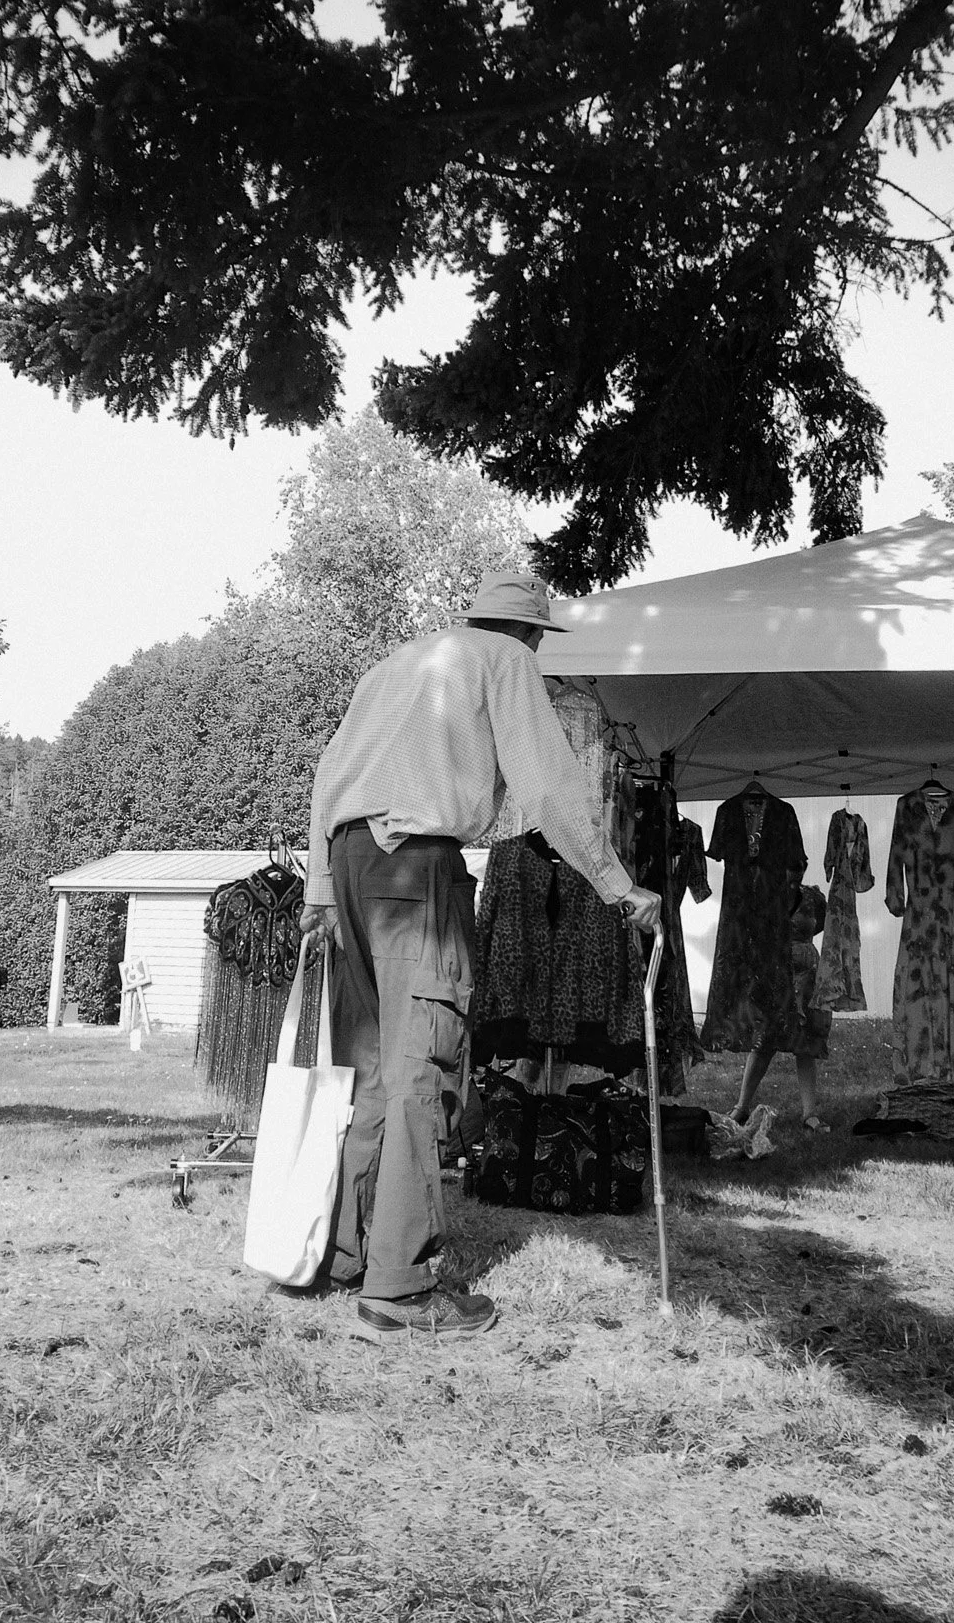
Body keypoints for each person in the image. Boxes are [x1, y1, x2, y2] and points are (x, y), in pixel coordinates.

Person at [302, 570, 662, 1343]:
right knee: (419, 1071)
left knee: (367, 1069)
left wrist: (319, 892)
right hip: (417, 871)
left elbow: (327, 778)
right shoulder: (507, 663)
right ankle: (398, 1291)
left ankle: (342, 1256)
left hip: (352, 864)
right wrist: (617, 885)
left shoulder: (396, 664)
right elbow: (553, 786)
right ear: (529, 633)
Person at [729, 883, 832, 1133]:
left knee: (805, 1045)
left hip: (807, 978)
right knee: (764, 1042)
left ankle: (809, 1113)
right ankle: (741, 1107)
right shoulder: (769, 894)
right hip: (775, 975)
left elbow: (821, 923)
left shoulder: (812, 897)